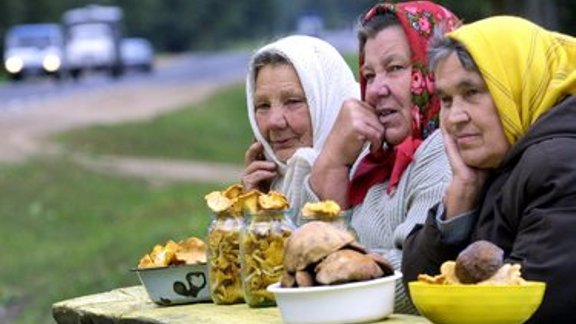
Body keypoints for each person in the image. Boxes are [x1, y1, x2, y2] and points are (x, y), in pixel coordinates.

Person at [402, 16, 576, 323]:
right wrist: (460, 199)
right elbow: (421, 286)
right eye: (445, 99)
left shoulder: (559, 163)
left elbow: (527, 306)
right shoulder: (496, 161)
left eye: (471, 92)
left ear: (519, 81)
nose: (454, 117)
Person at [304, 1, 459, 313]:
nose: (375, 90)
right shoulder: (372, 157)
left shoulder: (445, 150)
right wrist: (332, 161)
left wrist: (333, 263)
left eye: (395, 68)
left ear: (435, 72)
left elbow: (413, 281)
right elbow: (303, 259)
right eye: (369, 75)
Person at [241, 35, 359, 215]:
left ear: (329, 103)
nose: (274, 122)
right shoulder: (270, 186)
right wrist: (257, 216)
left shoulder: (370, 176)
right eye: (263, 106)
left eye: (293, 101)